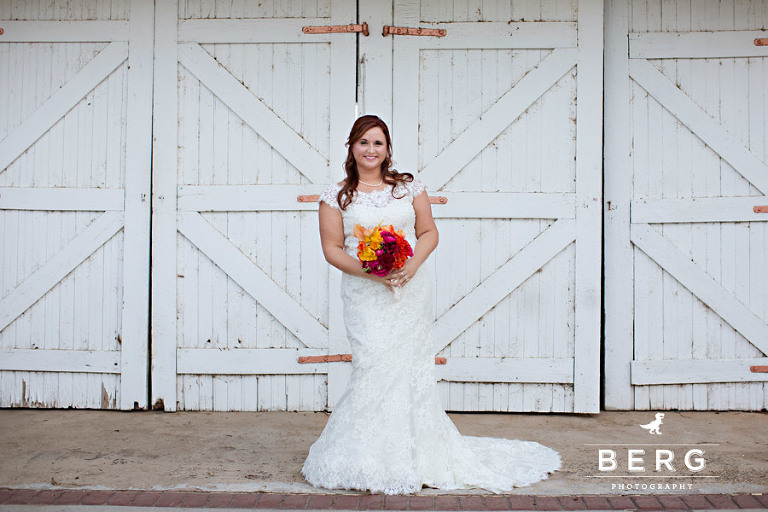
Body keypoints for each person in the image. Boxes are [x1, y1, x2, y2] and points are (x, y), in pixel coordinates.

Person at [302, 115, 561, 494]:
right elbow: (331, 249)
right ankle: (363, 457)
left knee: (409, 366)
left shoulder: (407, 188)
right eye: (363, 142)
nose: (371, 150)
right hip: (365, 291)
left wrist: (411, 264)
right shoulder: (337, 196)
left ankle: (419, 454)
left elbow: (428, 231)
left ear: (388, 149)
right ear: (351, 147)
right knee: (373, 365)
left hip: (410, 288)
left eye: (378, 143)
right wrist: (371, 272)